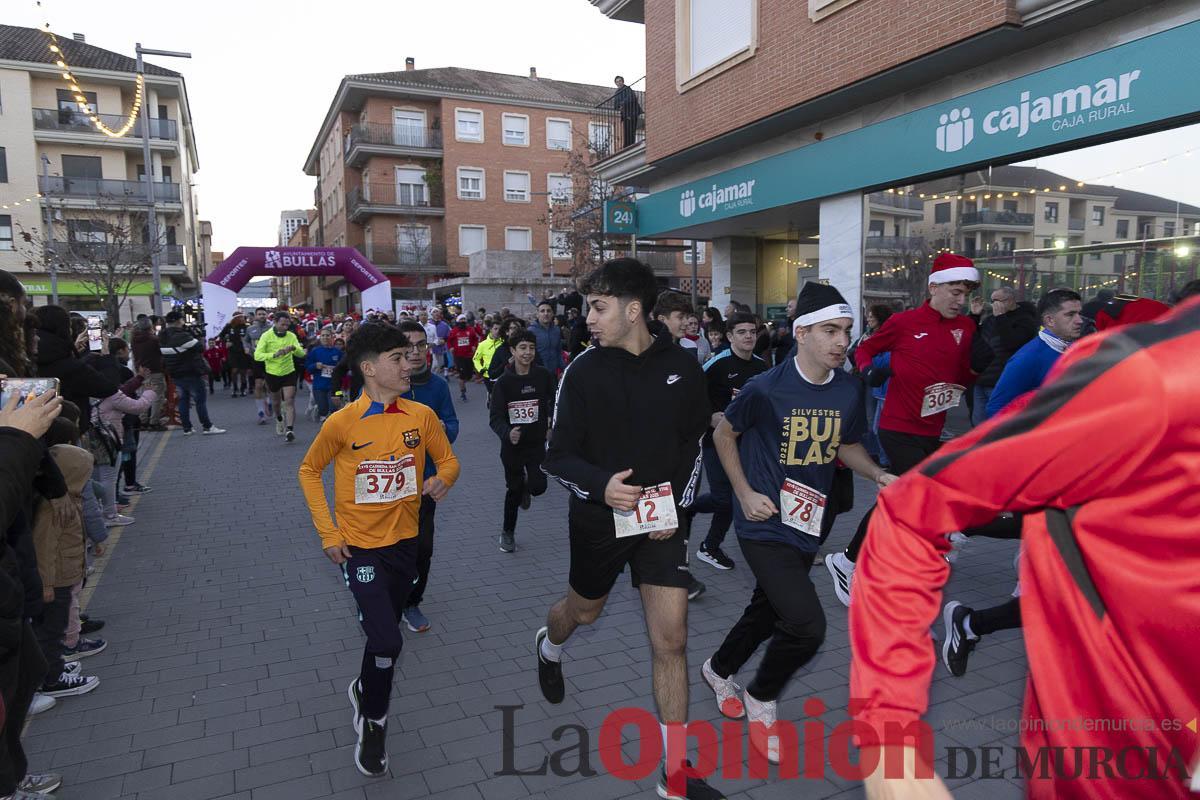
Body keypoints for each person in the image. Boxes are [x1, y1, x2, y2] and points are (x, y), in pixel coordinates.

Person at [851, 296, 1200, 800]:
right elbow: (918, 503)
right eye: (1069, 315)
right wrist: (889, 744)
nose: (1076, 322)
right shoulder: (1149, 379)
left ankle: (970, 618)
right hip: (1116, 765)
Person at [537, 258, 721, 800]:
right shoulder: (583, 370)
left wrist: (677, 512)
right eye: (589, 308)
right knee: (582, 613)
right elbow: (556, 456)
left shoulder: (684, 366)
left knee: (673, 641)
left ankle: (675, 773)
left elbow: (695, 443)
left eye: (598, 307)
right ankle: (549, 646)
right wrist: (602, 487)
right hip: (599, 520)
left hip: (662, 523)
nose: (589, 319)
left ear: (633, 309)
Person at [703, 284, 895, 764]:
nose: (841, 341)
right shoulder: (764, 388)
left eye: (847, 331)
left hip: (811, 519)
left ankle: (718, 668)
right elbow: (725, 433)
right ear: (802, 332)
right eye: (831, 330)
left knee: (769, 608)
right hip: (763, 521)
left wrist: (877, 473)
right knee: (807, 625)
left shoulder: (849, 388)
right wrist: (744, 493)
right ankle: (762, 696)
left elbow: (843, 444)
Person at [297, 324, 459, 778]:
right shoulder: (342, 421)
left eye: (408, 356)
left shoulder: (421, 416)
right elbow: (309, 471)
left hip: (405, 545)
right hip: (360, 550)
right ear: (370, 369)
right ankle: (375, 723)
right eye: (397, 357)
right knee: (388, 638)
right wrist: (328, 533)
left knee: (381, 637)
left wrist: (445, 478)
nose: (408, 363)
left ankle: (365, 691)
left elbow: (447, 460)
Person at [824, 253, 979, 606]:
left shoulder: (966, 328)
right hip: (896, 426)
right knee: (919, 495)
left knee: (897, 499)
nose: (960, 300)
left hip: (935, 429)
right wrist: (867, 370)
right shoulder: (905, 322)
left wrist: (973, 375)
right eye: (954, 291)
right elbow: (864, 348)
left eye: (964, 294)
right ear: (934, 287)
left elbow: (965, 374)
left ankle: (848, 561)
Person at [689, 312, 768, 571]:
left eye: (752, 332)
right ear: (730, 336)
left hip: (746, 444)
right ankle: (687, 507)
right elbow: (690, 394)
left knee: (734, 497)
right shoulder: (717, 364)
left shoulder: (761, 367)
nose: (748, 336)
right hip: (716, 442)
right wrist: (708, 415)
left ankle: (710, 546)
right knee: (725, 498)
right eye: (742, 332)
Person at [396, 320, 459, 634]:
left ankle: (411, 603)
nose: (416, 351)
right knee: (385, 549)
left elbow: (453, 425)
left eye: (421, 344)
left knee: (422, 549)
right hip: (386, 488)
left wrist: (444, 431)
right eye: (408, 345)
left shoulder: (437, 387)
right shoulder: (382, 385)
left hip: (424, 486)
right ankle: (374, 598)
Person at [489, 329, 554, 553]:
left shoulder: (543, 376)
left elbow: (554, 401)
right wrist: (508, 433)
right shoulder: (504, 383)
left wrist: (550, 423)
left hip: (536, 444)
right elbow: (495, 417)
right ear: (513, 351)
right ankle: (507, 533)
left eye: (531, 348)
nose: (527, 353)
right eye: (523, 348)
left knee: (539, 487)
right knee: (513, 490)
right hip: (513, 447)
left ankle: (528, 487)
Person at [984, 288, 1083, 418]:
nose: (1080, 320)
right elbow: (996, 409)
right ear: (1050, 320)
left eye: (1079, 313)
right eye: (1070, 314)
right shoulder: (1027, 358)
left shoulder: (1077, 349)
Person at [969, 286, 1037, 426]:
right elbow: (974, 339)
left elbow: (1011, 343)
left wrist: (1001, 317)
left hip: (1001, 380)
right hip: (981, 378)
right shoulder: (990, 320)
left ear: (1010, 300)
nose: (994, 305)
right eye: (992, 301)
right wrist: (975, 316)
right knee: (978, 424)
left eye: (997, 301)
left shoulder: (1025, 320)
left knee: (997, 423)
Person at [159, 312, 226, 438]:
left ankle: (187, 428)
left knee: (183, 400)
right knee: (200, 400)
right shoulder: (181, 336)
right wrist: (197, 335)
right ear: (179, 321)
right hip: (190, 371)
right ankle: (207, 426)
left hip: (175, 372)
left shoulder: (162, 336)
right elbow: (200, 347)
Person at [254, 312, 306, 443]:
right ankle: (279, 419)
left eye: (287, 324)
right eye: (282, 324)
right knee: (276, 403)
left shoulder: (292, 336)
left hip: (289, 371)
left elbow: (301, 354)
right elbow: (257, 355)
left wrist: (294, 348)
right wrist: (274, 355)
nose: (285, 327)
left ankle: (290, 430)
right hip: (272, 373)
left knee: (289, 400)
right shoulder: (266, 336)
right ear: (275, 322)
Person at [130, 316, 166, 428]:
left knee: (143, 395)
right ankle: (154, 421)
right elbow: (162, 354)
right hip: (154, 370)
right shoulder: (154, 339)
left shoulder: (134, 340)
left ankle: (143, 420)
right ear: (151, 326)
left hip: (140, 371)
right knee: (157, 396)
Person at [305, 329, 343, 423]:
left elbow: (345, 367)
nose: (325, 337)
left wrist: (338, 369)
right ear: (320, 338)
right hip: (319, 385)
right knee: (323, 408)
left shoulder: (338, 352)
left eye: (327, 335)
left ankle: (333, 425)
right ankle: (320, 410)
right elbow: (308, 368)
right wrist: (315, 366)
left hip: (335, 386)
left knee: (334, 407)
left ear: (332, 337)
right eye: (323, 335)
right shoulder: (315, 352)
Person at [244, 308, 272, 423]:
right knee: (258, 385)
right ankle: (261, 412)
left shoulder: (271, 329)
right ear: (255, 316)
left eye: (263, 314)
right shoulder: (250, 329)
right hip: (256, 360)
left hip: (269, 360)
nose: (261, 316)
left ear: (266, 316)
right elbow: (246, 340)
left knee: (270, 385)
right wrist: (246, 348)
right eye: (259, 314)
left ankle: (270, 402)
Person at [447, 314, 478, 401]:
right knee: (462, 375)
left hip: (469, 356)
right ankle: (463, 392)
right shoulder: (454, 331)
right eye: (461, 320)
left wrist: (474, 346)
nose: (463, 321)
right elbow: (449, 341)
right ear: (458, 321)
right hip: (458, 356)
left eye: (464, 320)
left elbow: (475, 339)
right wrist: (451, 348)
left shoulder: (470, 330)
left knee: (469, 376)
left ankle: (463, 382)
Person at [529, 301, 565, 375]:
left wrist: (563, 369)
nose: (546, 313)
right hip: (536, 373)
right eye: (542, 311)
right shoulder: (531, 331)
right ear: (537, 314)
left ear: (552, 314)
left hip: (553, 373)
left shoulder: (556, 330)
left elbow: (558, 351)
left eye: (548, 311)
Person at [472, 319, 504, 398]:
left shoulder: (504, 343)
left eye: (500, 329)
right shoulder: (483, 344)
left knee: (502, 396)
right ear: (491, 330)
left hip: (503, 374)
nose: (498, 331)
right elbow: (476, 359)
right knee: (494, 396)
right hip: (488, 374)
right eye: (495, 329)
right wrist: (480, 369)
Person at [612, 75, 642, 150]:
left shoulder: (627, 89)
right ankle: (627, 145)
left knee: (631, 130)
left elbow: (632, 98)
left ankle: (631, 144)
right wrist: (619, 106)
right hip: (625, 114)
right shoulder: (617, 93)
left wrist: (622, 103)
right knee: (626, 130)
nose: (618, 83)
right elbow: (615, 105)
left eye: (620, 81)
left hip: (632, 113)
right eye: (617, 82)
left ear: (623, 81)